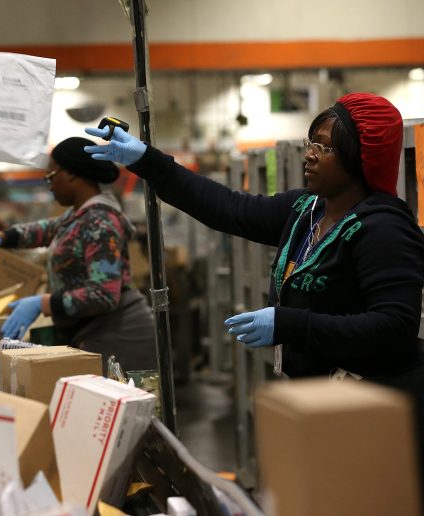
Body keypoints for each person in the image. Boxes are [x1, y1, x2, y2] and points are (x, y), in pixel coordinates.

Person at [84, 92, 424, 484]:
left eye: (325, 148)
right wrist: (149, 161)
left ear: (361, 157)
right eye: (310, 143)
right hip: (322, 402)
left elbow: (395, 326)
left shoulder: (383, 229)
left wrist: (290, 323)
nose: (310, 155)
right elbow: (228, 207)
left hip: (373, 410)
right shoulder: (306, 210)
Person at [0, 137, 157, 373]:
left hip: (120, 338)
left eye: (51, 176)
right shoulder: (79, 216)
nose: (50, 184)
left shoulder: (100, 221)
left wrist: (43, 303)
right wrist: (0, 238)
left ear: (71, 174)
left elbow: (103, 295)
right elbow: (44, 230)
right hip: (95, 331)